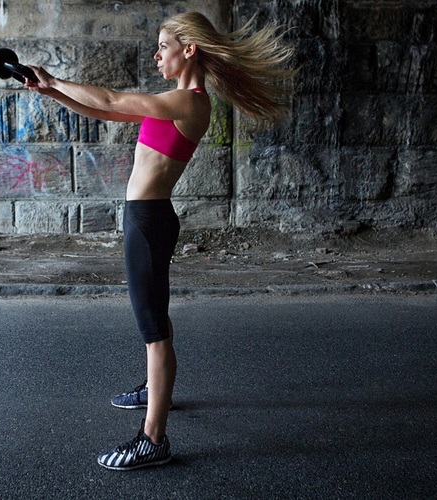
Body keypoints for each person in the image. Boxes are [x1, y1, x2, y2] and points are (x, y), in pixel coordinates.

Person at [25, 11, 294, 470]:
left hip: (148, 221)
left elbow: (111, 95)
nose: (157, 54)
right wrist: (52, 91)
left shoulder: (189, 102)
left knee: (153, 330)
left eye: (163, 45)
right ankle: (154, 391)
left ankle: (153, 438)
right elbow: (106, 109)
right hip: (146, 218)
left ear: (189, 50)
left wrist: (55, 77)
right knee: (155, 316)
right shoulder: (174, 101)